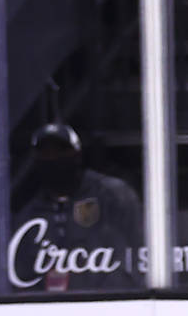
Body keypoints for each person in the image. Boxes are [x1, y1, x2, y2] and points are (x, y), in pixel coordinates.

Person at [10, 123, 145, 292]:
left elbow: (138, 253)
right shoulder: (29, 217)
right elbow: (23, 277)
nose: (53, 157)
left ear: (77, 155)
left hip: (108, 306)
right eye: (45, 153)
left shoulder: (112, 196)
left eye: (61, 151)